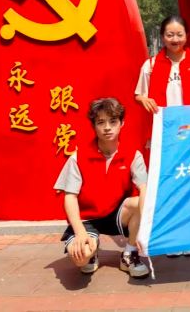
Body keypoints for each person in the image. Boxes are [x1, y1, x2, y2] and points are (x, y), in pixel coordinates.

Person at [135, 15, 190, 256]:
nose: (175, 39)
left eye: (179, 34)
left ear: (187, 36)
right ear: (162, 37)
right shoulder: (150, 65)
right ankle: (171, 237)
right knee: (167, 186)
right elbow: (139, 94)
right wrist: (144, 99)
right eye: (170, 35)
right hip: (163, 137)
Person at [54, 98, 149, 278]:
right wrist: (80, 233)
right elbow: (69, 197)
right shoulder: (78, 157)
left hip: (116, 215)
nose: (107, 127)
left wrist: (146, 228)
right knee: (81, 258)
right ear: (93, 126)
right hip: (87, 219)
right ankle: (92, 248)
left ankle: (129, 254)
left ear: (122, 123)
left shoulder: (133, 154)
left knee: (139, 202)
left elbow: (144, 189)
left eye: (113, 121)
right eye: (101, 122)